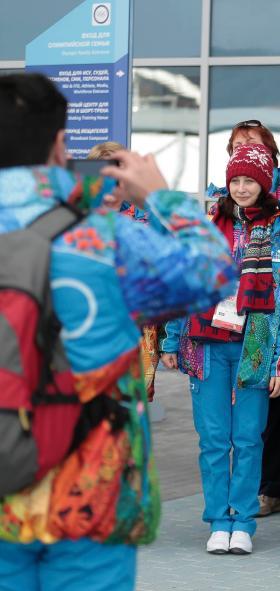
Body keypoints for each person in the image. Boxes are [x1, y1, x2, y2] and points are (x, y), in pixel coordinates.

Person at [0, 72, 236, 591]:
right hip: (90, 491)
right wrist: (160, 195)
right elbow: (212, 273)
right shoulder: (101, 237)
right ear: (60, 146)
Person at [162, 144, 280, 556]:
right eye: (236, 180)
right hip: (206, 344)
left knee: (247, 437)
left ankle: (241, 519)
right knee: (213, 438)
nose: (242, 188)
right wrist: (171, 339)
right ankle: (217, 519)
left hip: (256, 347)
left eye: (250, 180)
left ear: (264, 184)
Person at [210, 120, 280, 520]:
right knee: (256, 426)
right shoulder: (219, 212)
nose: (247, 149)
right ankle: (266, 492)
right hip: (232, 336)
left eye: (255, 145)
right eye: (238, 146)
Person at [88, 141, 160, 403]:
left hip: (137, 328)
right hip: (91, 326)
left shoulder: (145, 217)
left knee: (131, 406)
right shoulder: (77, 218)